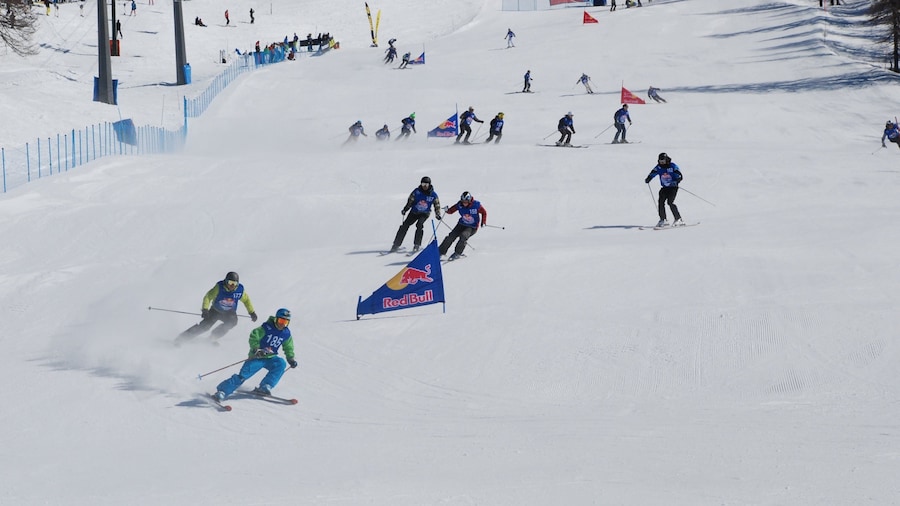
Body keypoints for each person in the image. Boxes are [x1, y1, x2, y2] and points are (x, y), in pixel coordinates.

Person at [213, 308, 298, 401]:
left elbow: (288, 346)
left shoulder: (286, 333)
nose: (282, 324)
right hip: (257, 357)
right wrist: (256, 349)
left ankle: (266, 386)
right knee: (243, 376)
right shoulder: (266, 328)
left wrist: (291, 358)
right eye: (281, 320)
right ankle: (222, 391)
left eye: (285, 322)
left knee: (281, 364)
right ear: (276, 319)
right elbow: (254, 337)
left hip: (271, 358)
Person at [176, 272, 258, 344]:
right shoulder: (219, 287)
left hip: (229, 312)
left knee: (232, 322)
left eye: (234, 283)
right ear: (226, 281)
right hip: (216, 310)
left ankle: (213, 337)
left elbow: (246, 300)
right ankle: (182, 338)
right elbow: (208, 296)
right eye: (230, 282)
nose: (232, 285)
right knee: (205, 326)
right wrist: (205, 309)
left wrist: (252, 312)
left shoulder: (240, 290)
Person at [390, 177, 443, 253]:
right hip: (414, 212)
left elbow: (437, 205)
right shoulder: (416, 192)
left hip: (424, 213)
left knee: (419, 224)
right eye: (423, 184)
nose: (424, 186)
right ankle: (396, 245)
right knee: (404, 226)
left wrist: (437, 214)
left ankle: (417, 245)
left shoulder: (433, 195)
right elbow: (410, 201)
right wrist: (405, 209)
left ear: (429, 185)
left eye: (426, 184)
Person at [439, 191, 487, 260]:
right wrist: (447, 210)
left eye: (466, 202)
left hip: (472, 227)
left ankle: (458, 253)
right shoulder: (459, 205)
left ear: (469, 200)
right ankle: (441, 251)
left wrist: (483, 222)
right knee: (451, 236)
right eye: (463, 201)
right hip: (461, 224)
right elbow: (451, 210)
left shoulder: (476, 205)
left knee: (463, 236)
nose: (464, 203)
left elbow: (484, 212)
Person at [644, 152, 684, 227]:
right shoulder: (659, 167)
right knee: (661, 202)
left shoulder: (672, 166)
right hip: (664, 188)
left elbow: (679, 175)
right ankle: (663, 219)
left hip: (673, 188)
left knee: (670, 202)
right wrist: (649, 178)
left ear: (666, 160)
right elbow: (653, 172)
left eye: (663, 161)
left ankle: (678, 219)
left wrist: (677, 180)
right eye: (660, 161)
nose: (662, 163)